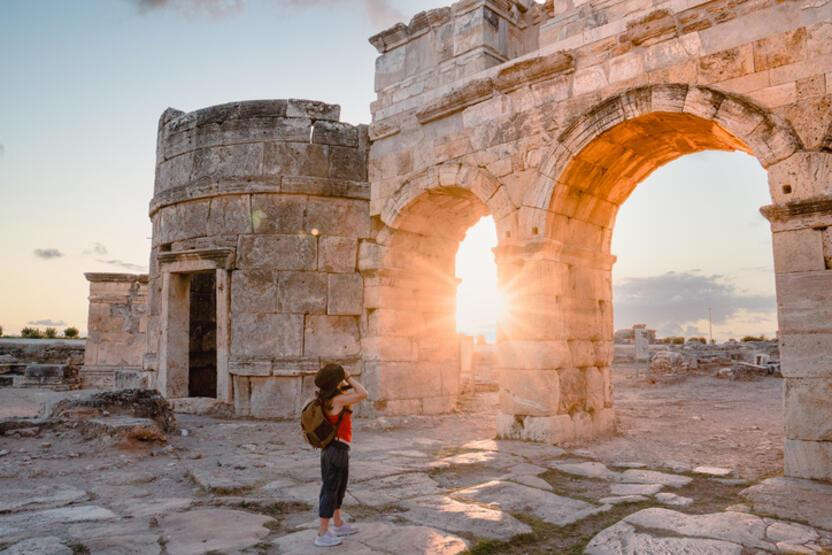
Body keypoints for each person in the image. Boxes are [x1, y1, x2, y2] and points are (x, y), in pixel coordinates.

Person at [313, 363, 368, 548]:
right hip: (336, 450)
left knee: (338, 488)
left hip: (335, 450)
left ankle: (337, 525)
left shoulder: (329, 397)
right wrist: (349, 377)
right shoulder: (336, 400)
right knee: (330, 490)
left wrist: (342, 379)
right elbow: (363, 393)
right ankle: (322, 534)